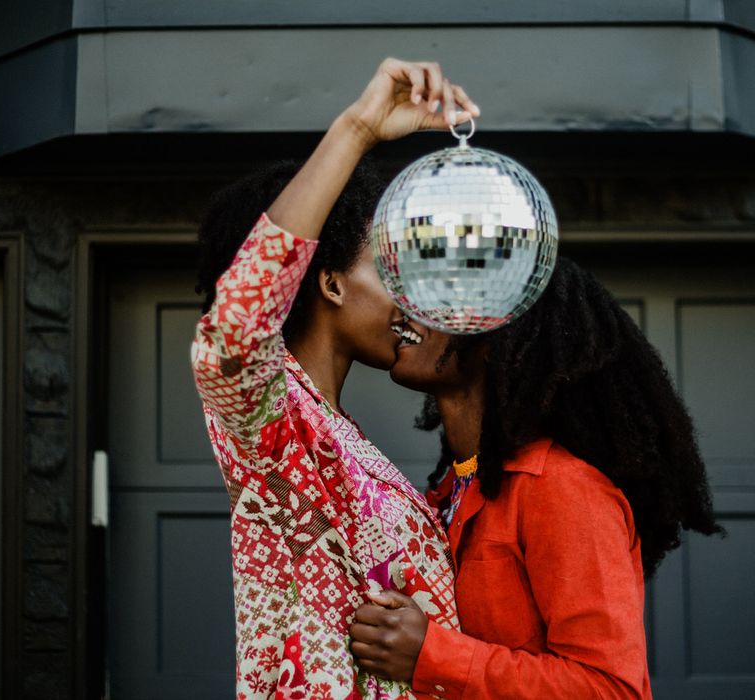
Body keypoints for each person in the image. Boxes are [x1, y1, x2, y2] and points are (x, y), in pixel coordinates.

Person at [191, 59, 481, 698]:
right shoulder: (274, 425)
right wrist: (357, 129)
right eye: (388, 267)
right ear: (329, 282)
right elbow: (232, 333)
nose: (409, 295)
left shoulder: (338, 432)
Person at [349, 257, 722, 699]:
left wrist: (432, 655)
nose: (410, 305)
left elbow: (610, 689)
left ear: (495, 338)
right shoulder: (453, 488)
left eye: (440, 301)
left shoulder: (560, 486)